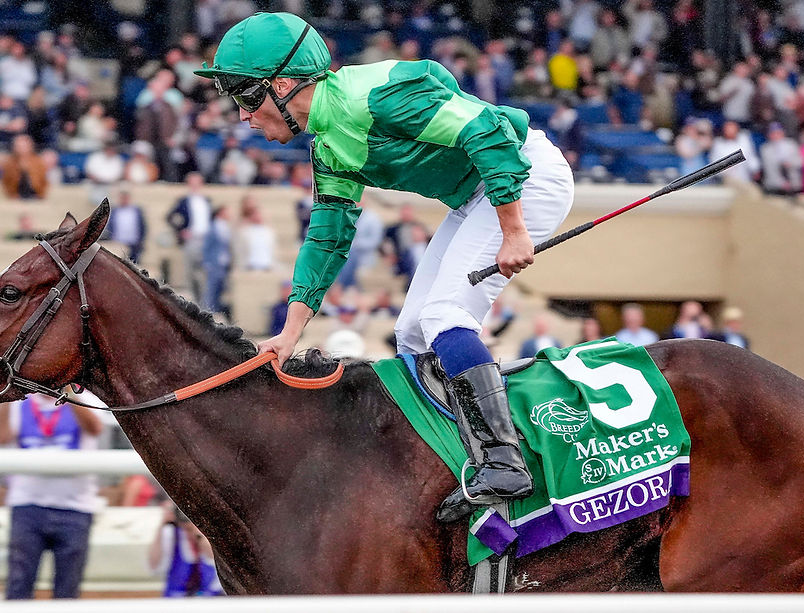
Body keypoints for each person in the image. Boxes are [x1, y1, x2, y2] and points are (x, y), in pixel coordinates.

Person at [195, 12, 575, 511]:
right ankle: (457, 461)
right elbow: (328, 238)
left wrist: (513, 229)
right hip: (475, 194)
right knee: (412, 332)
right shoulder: (330, 143)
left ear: (283, 86)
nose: (243, 116)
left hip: (524, 177)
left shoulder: (378, 95)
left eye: (246, 98)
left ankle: (504, 461)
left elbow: (488, 133)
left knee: (443, 316)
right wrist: (290, 333)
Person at [0, 390, 103, 600]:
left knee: (68, 589)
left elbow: (95, 429)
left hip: (76, 507)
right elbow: (0, 436)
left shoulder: (86, 399)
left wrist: (68, 391)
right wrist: (6, 395)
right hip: (27, 504)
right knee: (18, 585)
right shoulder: (18, 402)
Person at [147, 503, 223, 597]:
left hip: (207, 596)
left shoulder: (206, 533)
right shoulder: (171, 535)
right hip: (178, 597)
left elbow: (213, 557)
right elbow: (153, 565)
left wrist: (197, 532)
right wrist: (162, 524)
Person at [166, 172, 212, 302]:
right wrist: (181, 230)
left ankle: (204, 302)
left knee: (204, 273)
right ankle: (194, 301)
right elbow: (170, 217)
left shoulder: (206, 201)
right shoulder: (184, 201)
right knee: (191, 273)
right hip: (192, 239)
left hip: (206, 240)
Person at [103, 187, 147, 264]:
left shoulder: (136, 211)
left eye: (125, 198)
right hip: (118, 244)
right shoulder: (115, 211)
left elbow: (143, 226)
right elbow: (110, 226)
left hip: (134, 244)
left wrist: (141, 240)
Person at [201, 206, 232, 316]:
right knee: (211, 289)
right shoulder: (213, 227)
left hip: (224, 263)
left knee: (220, 289)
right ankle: (208, 312)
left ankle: (216, 310)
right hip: (214, 263)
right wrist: (207, 262)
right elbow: (206, 246)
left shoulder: (226, 227)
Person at [1, 135, 48, 200]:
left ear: (30, 147)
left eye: (24, 146)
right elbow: (5, 182)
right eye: (19, 146)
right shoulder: (9, 163)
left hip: (35, 197)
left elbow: (44, 182)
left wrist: (40, 194)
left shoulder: (38, 162)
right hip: (15, 197)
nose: (21, 149)